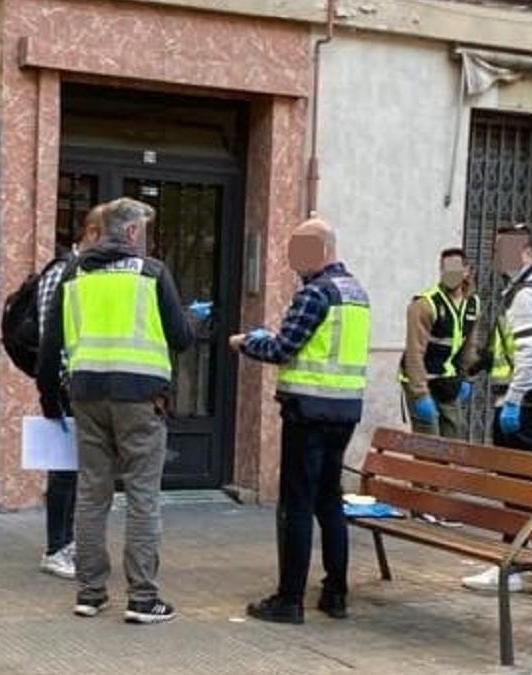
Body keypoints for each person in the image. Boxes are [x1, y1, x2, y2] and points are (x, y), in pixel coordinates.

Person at [37, 197, 196, 625]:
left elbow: (50, 346)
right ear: (129, 233)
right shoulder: (151, 272)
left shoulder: (73, 274)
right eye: (142, 231)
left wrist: (49, 399)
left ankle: (89, 593)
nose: (145, 239)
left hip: (87, 395)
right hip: (141, 398)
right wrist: (193, 320)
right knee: (142, 497)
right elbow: (181, 338)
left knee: (91, 495)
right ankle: (142, 599)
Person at [230, 216, 370, 625]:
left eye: (301, 253)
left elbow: (283, 348)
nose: (294, 262)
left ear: (322, 251)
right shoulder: (356, 292)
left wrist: (246, 343)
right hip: (345, 411)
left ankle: (289, 600)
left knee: (297, 504)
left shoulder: (315, 293)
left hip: (308, 413)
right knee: (330, 501)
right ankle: (336, 593)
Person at [462, 222, 532, 593]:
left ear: (527, 252)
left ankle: (511, 567)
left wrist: (513, 401)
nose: (500, 256)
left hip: (528, 406)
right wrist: (477, 370)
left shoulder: (527, 295)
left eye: (507, 248)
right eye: (497, 248)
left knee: (517, 487)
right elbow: (511, 347)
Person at [36, 205, 105, 580]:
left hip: (81, 384)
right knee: (64, 470)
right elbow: (53, 338)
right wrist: (54, 392)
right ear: (93, 233)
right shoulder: (64, 272)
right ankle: (56, 547)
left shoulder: (88, 273)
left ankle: (68, 543)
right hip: (66, 385)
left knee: (79, 470)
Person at [401, 247, 481, 439]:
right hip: (422, 380)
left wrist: (467, 378)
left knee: (453, 437)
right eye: (446, 269)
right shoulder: (425, 305)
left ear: (466, 271)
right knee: (429, 443)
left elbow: (469, 347)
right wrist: (420, 394)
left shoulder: (473, 304)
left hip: (448, 381)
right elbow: (415, 351)